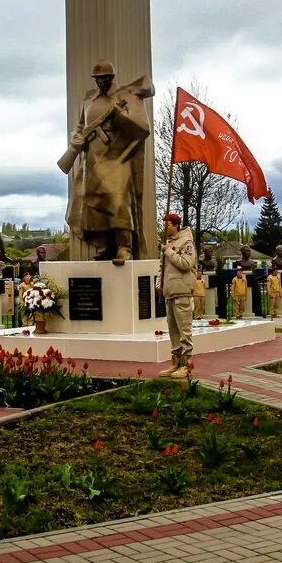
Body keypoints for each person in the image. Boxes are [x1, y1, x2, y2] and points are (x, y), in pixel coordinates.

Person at [59, 59, 154, 265]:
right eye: (97, 79)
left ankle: (124, 246)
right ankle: (104, 246)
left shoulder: (126, 96)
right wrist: (76, 137)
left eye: (104, 78)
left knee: (118, 200)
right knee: (92, 201)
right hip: (92, 157)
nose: (100, 82)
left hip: (117, 156)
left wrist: (119, 115)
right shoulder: (89, 100)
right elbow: (81, 125)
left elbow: (142, 127)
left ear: (112, 78)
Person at [157, 213, 196, 378]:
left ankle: (186, 365)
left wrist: (169, 252)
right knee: (173, 331)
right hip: (170, 292)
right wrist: (159, 282)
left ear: (175, 225)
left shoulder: (187, 243)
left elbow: (186, 264)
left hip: (182, 292)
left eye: (167, 224)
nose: (164, 227)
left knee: (184, 330)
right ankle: (175, 362)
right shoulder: (167, 244)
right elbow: (162, 267)